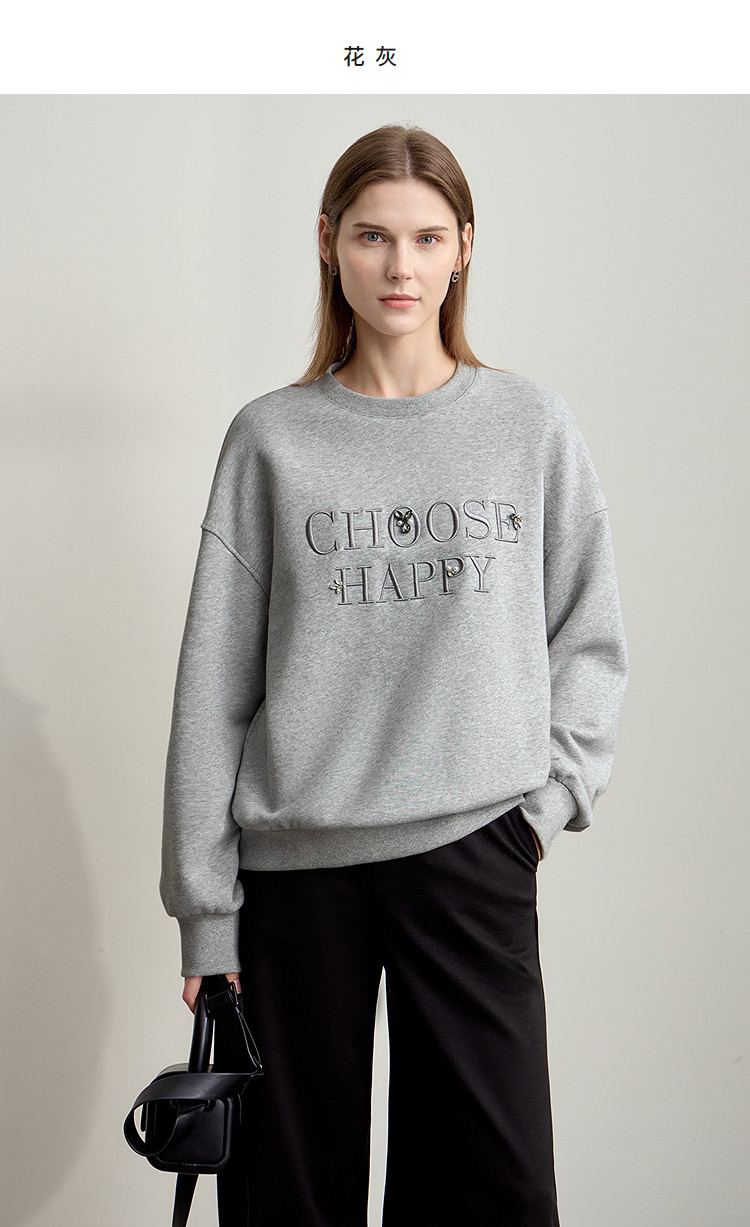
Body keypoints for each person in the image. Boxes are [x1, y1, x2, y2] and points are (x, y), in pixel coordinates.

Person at [159, 123, 629, 1226]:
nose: (400, 266)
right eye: (373, 236)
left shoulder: (529, 427)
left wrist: (544, 806)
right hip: (295, 879)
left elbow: (590, 636)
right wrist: (206, 914)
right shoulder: (271, 439)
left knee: (495, 1193)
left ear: (465, 247)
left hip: (475, 854)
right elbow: (212, 691)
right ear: (329, 243)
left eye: (425, 237)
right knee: (288, 1199)